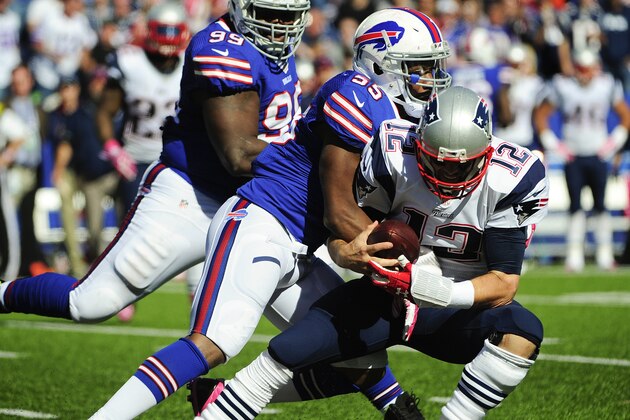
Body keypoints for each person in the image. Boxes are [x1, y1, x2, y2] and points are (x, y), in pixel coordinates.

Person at [90, 7, 452, 420]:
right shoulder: (357, 95)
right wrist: (416, 266)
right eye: (418, 68)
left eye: (433, 67)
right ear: (380, 64)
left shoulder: (405, 118)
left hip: (300, 245)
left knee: (360, 356)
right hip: (263, 221)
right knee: (215, 341)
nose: (430, 79)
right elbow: (338, 211)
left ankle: (220, 397)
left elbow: (344, 227)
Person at [196, 86, 549, 420]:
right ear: (420, 143)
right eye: (437, 162)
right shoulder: (393, 154)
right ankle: (216, 405)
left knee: (522, 330)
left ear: (486, 152)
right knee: (283, 353)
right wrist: (344, 253)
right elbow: (346, 236)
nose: (448, 172)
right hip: (386, 297)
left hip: (457, 310)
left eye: (461, 164)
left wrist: (436, 289)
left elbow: (504, 283)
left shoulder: (511, 177)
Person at [94, 1, 193, 319]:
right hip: (135, 159)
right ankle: (118, 294)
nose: (166, 38)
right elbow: (105, 110)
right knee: (130, 229)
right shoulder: (129, 62)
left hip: (176, 159)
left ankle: (198, 290)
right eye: (161, 30)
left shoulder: (191, 64)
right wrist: (112, 147)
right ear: (149, 31)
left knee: (194, 223)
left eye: (172, 31)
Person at [533, 47, 630, 272]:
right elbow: (541, 115)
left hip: (598, 153)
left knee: (601, 206)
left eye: (588, 69)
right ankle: (574, 254)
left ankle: (604, 254)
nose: (585, 74)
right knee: (575, 206)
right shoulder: (564, 86)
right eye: (581, 69)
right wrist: (554, 144)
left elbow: (625, 116)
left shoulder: (607, 85)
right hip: (574, 154)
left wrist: (613, 143)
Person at [47, 74, 120, 277]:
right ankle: (76, 262)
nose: (67, 92)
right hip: (77, 172)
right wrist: (58, 170)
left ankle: (112, 262)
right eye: (64, 88)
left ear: (78, 90)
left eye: (71, 88)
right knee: (77, 218)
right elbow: (64, 146)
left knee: (102, 222)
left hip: (97, 172)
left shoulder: (87, 110)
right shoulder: (57, 115)